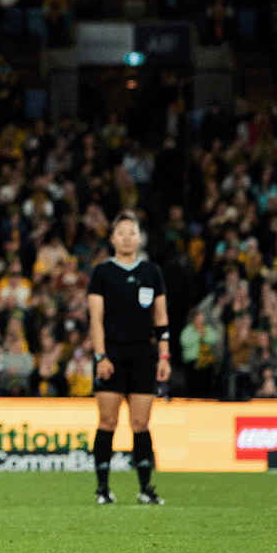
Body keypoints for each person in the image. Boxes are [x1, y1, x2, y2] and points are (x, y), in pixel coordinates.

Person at [86, 211, 171, 505]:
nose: (126, 238)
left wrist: (164, 355)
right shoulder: (102, 273)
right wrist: (100, 356)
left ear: (139, 237)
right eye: (121, 233)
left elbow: (161, 318)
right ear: (112, 238)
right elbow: (96, 319)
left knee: (141, 422)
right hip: (112, 353)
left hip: (143, 354)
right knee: (107, 421)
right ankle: (102, 489)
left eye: (132, 233)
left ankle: (145, 488)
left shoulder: (151, 272)